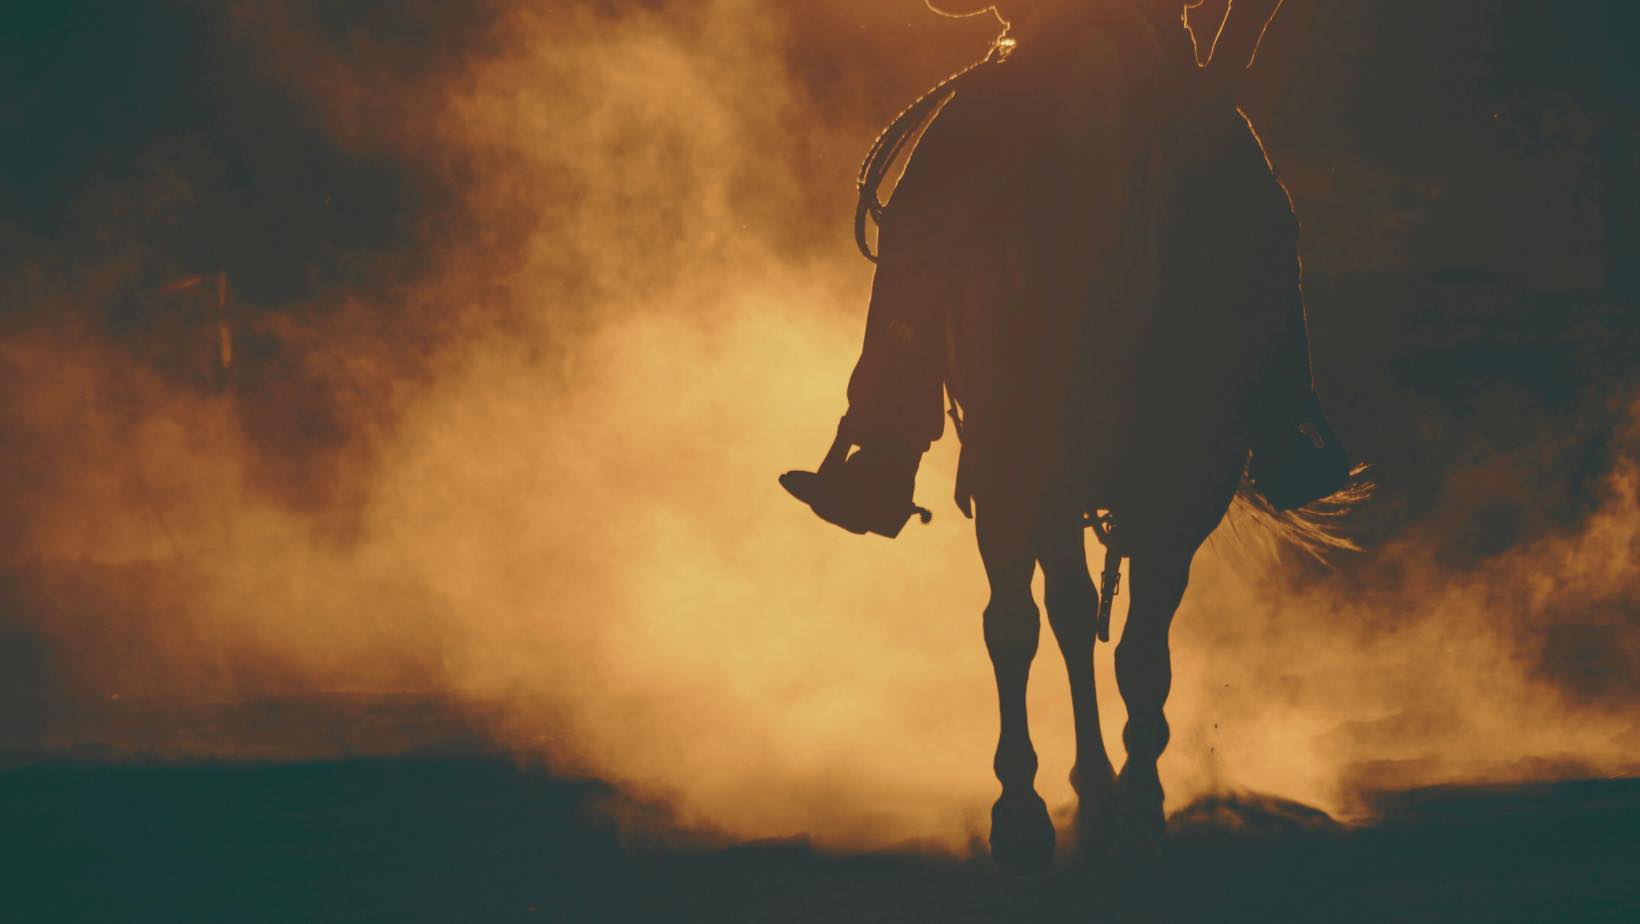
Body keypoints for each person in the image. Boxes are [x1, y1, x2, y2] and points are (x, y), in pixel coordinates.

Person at [783, 0, 1310, 536]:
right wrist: (1223, 73)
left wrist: (1225, 71)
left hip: (1123, 69)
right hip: (1056, 71)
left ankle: (885, 451)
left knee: (917, 222)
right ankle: (1284, 427)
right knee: (1259, 217)